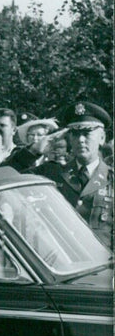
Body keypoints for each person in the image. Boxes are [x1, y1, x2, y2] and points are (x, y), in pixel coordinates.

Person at [37, 101, 113, 248]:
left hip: (101, 266)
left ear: (102, 138)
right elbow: (5, 174)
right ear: (69, 138)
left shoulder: (111, 179)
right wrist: (35, 150)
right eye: (75, 134)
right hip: (61, 266)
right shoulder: (52, 173)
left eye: (86, 133)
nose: (80, 140)